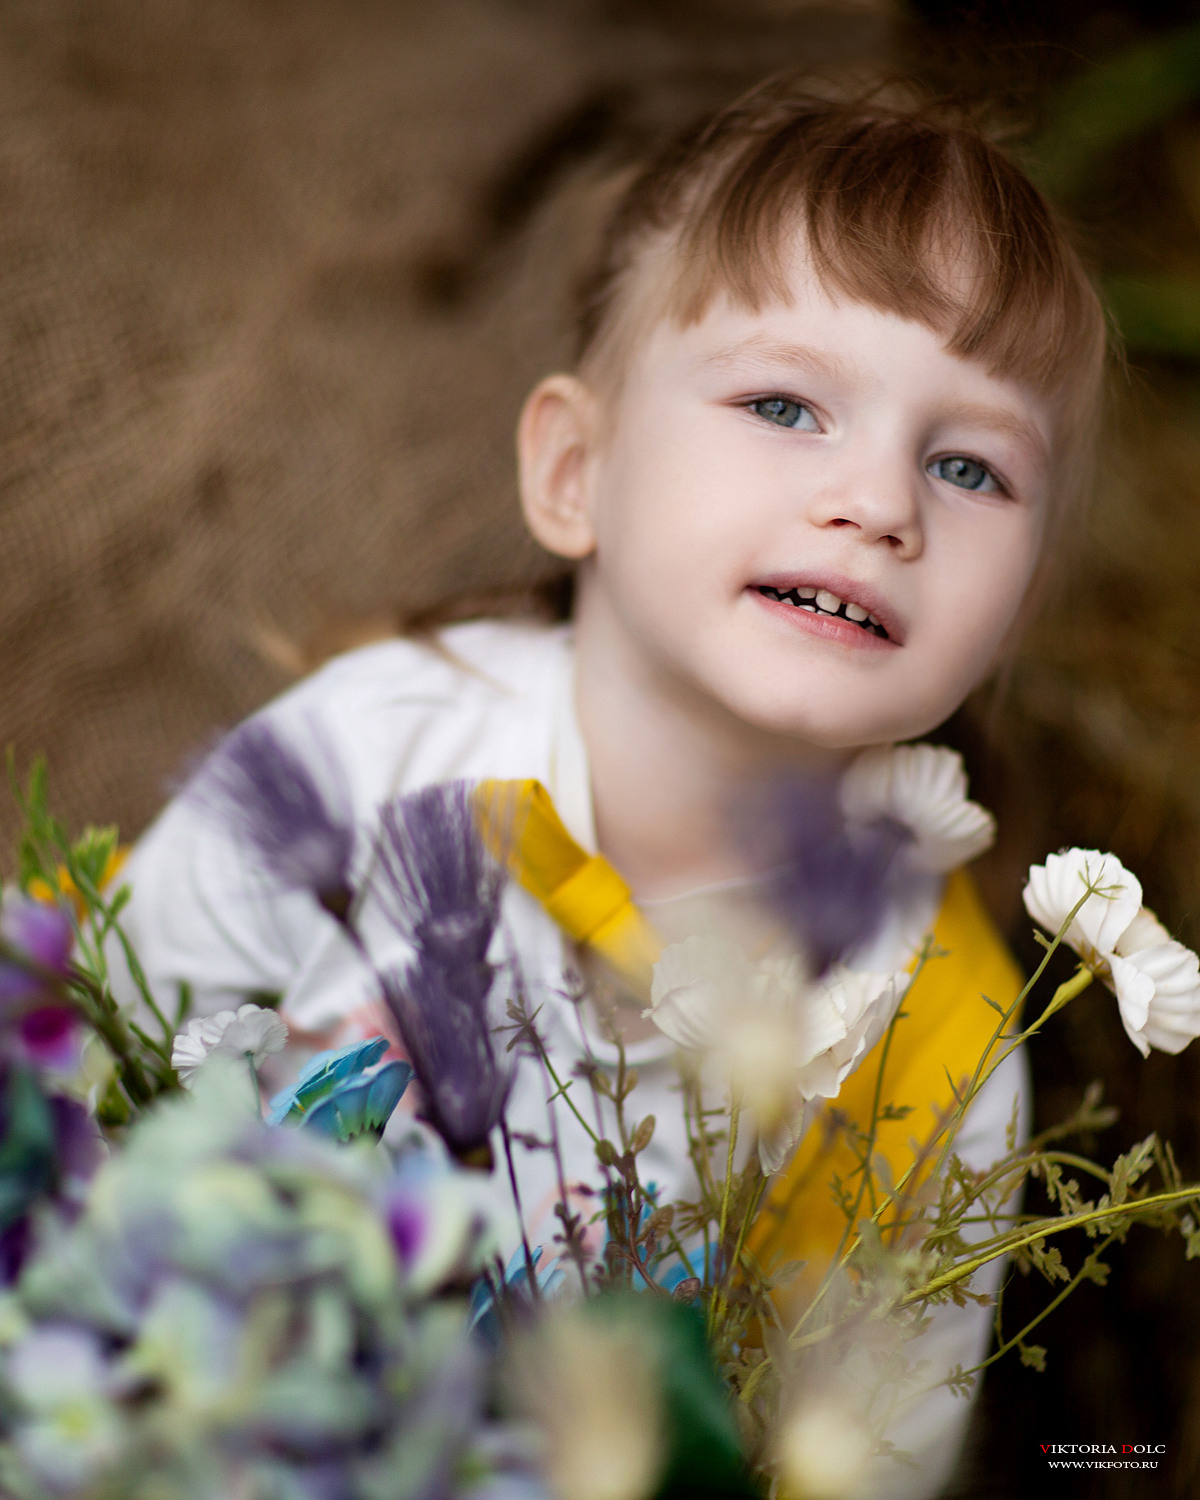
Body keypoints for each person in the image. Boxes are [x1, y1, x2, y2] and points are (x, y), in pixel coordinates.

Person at [110, 76, 1107, 1497]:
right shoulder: (356, 762)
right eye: (785, 403)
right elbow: (83, 1090)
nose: (882, 502)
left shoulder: (934, 1050)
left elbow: (853, 1458)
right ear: (576, 470)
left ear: (1016, 613)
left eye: (968, 465)